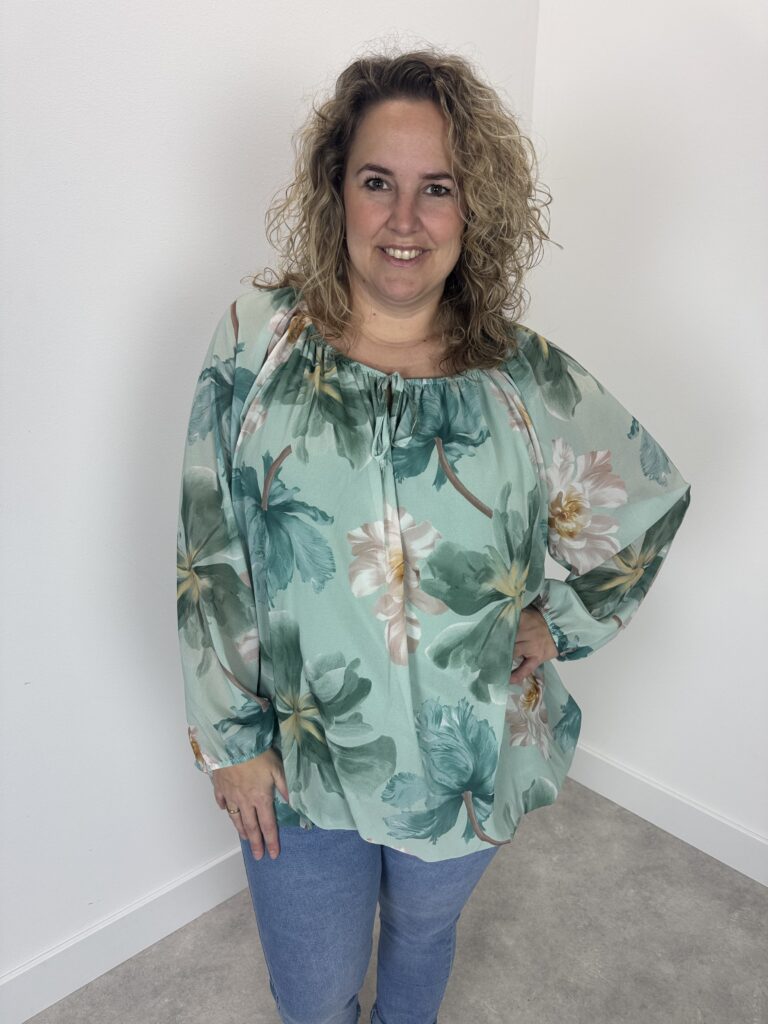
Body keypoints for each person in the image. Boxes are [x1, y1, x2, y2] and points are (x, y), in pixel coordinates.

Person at [176, 48, 692, 1024]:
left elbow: (646, 500)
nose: (405, 219)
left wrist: (557, 622)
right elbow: (211, 544)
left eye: (438, 188)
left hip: (467, 758)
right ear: (337, 190)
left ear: (473, 208)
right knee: (314, 992)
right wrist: (228, 741)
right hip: (301, 755)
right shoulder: (259, 340)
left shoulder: (522, 378)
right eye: (378, 182)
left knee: (421, 938)